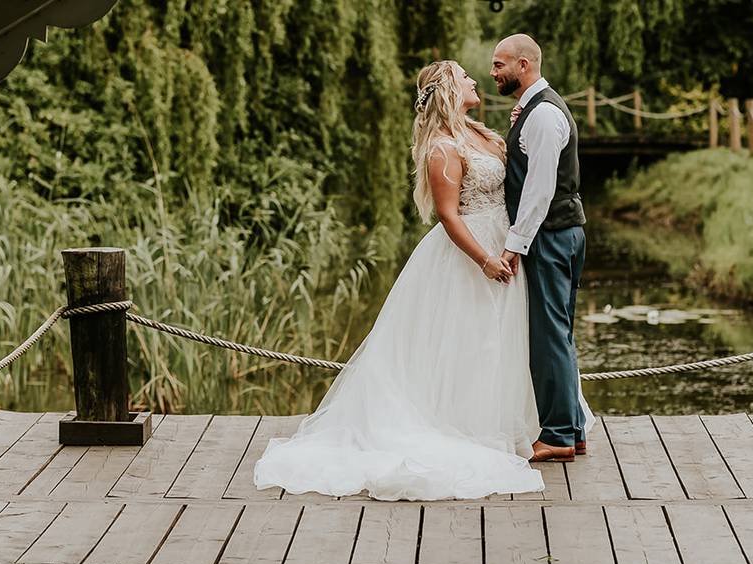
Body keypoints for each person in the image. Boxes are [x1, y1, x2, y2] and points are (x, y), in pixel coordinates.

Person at [254, 57, 593, 501]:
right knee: (471, 341)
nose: (476, 79)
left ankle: (535, 424)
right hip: (476, 250)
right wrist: (485, 260)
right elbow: (449, 215)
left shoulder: (482, 132)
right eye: (466, 76)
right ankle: (474, 425)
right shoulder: (441, 147)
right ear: (450, 89)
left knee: (507, 338)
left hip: (508, 243)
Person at [492, 34, 589, 462]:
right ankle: (573, 429)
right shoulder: (532, 110)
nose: (493, 72)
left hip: (550, 235)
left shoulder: (545, 115)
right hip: (556, 233)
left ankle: (558, 436)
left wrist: (515, 244)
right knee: (558, 332)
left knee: (549, 336)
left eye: (500, 64)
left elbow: (539, 189)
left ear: (524, 65)